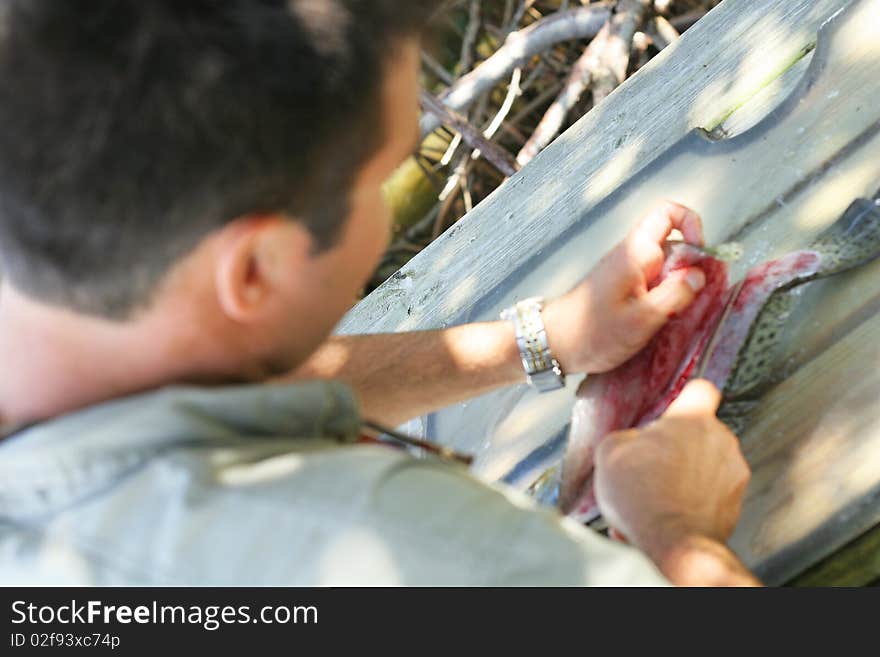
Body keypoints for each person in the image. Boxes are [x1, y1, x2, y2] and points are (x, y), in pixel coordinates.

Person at [0, 0, 758, 586]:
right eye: (379, 177)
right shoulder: (392, 550)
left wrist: (544, 338)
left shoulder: (50, 321)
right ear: (256, 268)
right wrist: (676, 530)